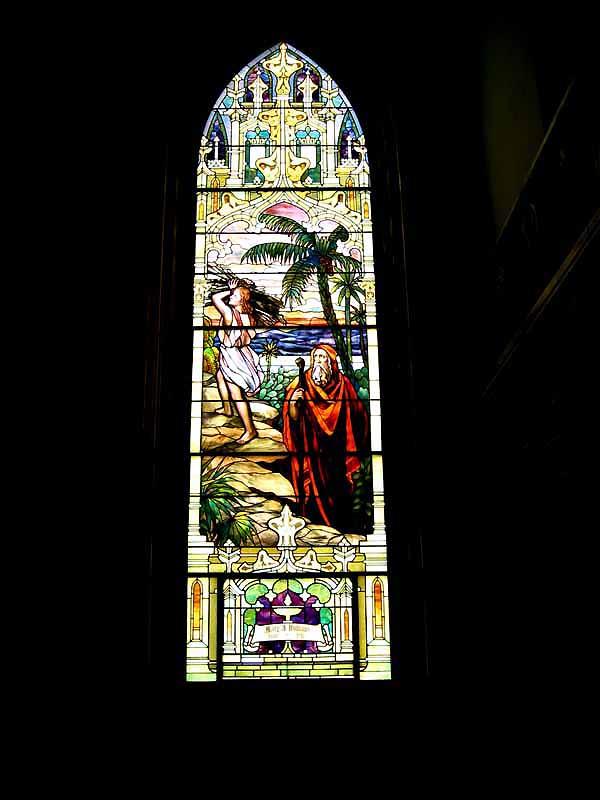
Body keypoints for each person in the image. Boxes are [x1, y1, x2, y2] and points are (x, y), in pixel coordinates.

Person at [282, 344, 369, 533]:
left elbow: (358, 414)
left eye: (323, 358)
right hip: (312, 450)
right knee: (313, 496)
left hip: (338, 452)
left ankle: (340, 530)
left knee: (339, 495)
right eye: (316, 358)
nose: (318, 362)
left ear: (331, 363)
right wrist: (294, 403)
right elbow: (293, 420)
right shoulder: (301, 383)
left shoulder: (343, 385)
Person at [211, 277, 263, 444]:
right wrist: (235, 290)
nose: (230, 297)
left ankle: (250, 430)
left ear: (242, 299)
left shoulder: (229, 313)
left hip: (232, 355)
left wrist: (229, 289)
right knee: (220, 376)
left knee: (236, 394)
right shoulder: (249, 316)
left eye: (234, 295)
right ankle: (227, 409)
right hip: (242, 354)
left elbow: (215, 298)